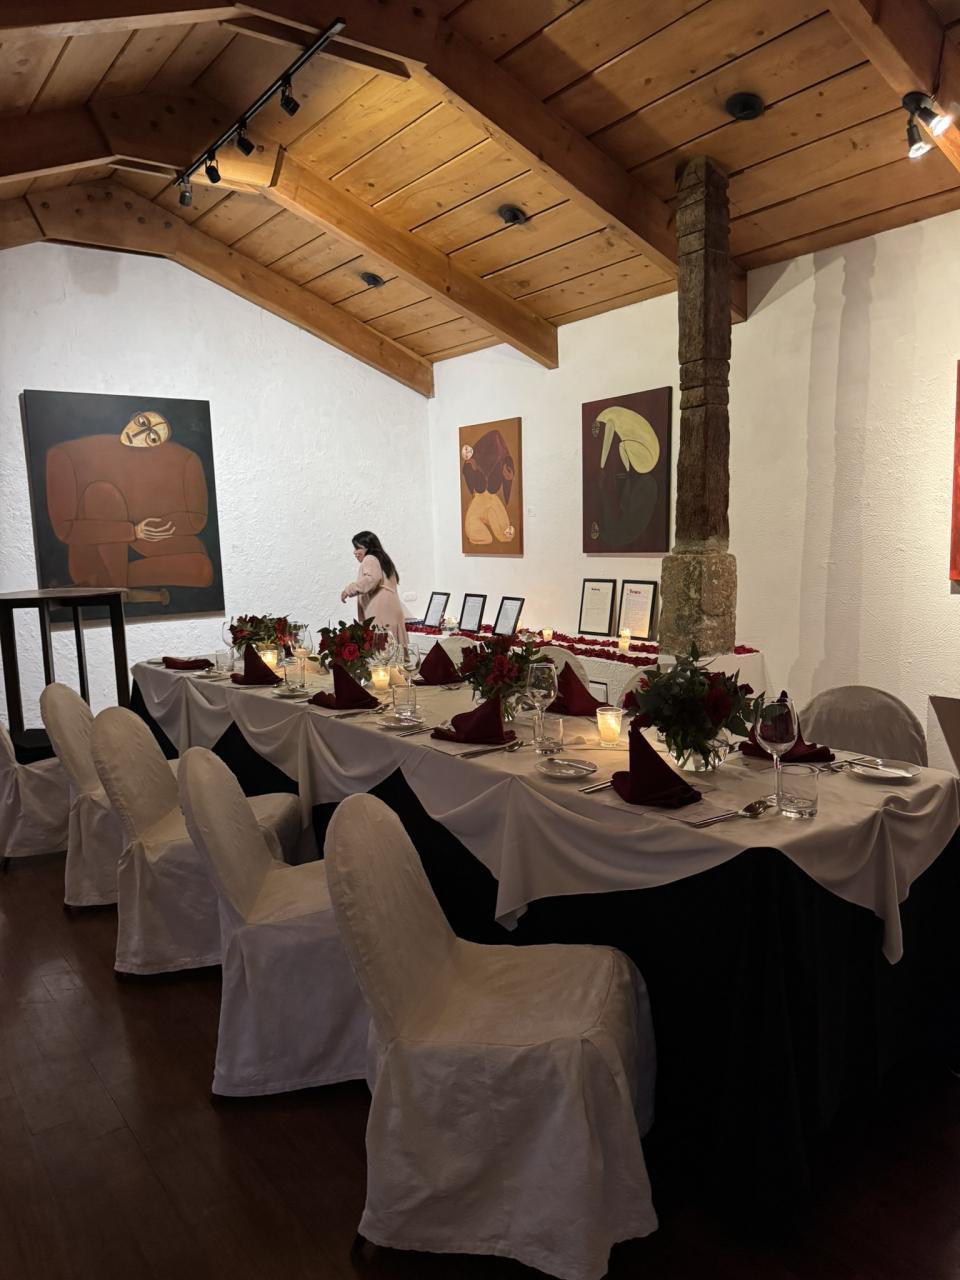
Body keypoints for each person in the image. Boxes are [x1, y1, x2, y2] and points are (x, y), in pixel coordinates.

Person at [46, 410, 213, 606]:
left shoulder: (183, 461)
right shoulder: (66, 455)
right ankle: (119, 589)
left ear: (157, 446)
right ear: (135, 415)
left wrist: (147, 532)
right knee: (101, 494)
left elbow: (196, 520)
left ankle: (104, 585)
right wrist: (133, 531)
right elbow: (65, 530)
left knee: (202, 571)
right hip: (95, 554)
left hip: (143, 547)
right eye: (142, 422)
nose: (138, 434)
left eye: (152, 438)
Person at [340, 531, 407, 643]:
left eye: (357, 548)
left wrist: (348, 590)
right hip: (390, 611)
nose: (354, 552)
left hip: (380, 612)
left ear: (368, 547)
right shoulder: (382, 559)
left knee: (382, 648)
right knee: (394, 649)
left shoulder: (370, 558)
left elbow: (371, 579)